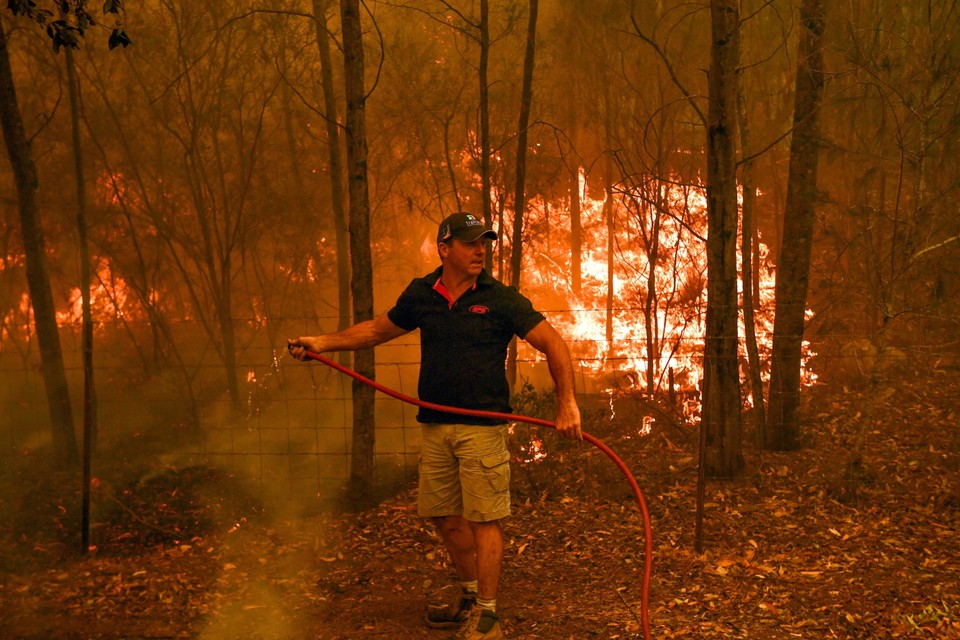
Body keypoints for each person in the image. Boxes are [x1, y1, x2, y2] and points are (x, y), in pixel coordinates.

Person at [288, 212, 582, 639]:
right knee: (444, 514)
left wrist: (567, 403)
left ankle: (488, 615)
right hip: (435, 425)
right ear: (445, 248)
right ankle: (468, 594)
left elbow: (552, 342)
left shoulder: (500, 299)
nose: (481, 250)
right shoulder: (422, 294)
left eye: (484, 242)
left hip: (482, 428)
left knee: (484, 518)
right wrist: (322, 343)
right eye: (470, 242)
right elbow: (376, 330)